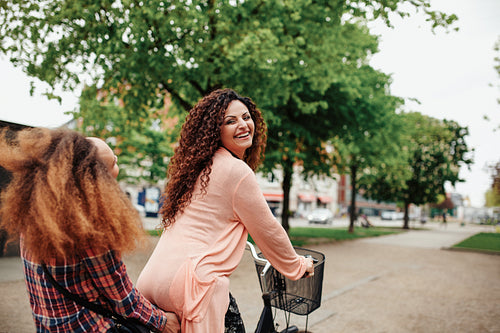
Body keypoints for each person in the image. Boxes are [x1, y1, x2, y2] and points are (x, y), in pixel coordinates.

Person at [136, 88, 315, 333]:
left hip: (152, 279)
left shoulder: (196, 169)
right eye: (230, 121)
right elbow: (268, 230)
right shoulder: (236, 171)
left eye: (246, 117)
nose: (242, 125)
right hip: (192, 284)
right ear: (214, 131)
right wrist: (297, 265)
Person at [0, 128, 180, 333]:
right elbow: (121, 296)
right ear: (99, 176)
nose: (117, 164)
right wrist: (162, 321)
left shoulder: (35, 215)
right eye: (113, 162)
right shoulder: (91, 225)